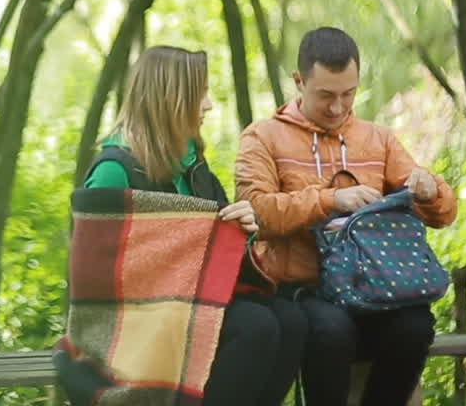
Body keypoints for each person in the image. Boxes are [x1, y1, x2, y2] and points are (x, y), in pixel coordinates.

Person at [235, 27, 458, 406]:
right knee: (331, 331)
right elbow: (256, 213)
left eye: (348, 94)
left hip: (374, 290)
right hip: (303, 291)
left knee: (416, 326)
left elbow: (443, 214)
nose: (338, 108)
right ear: (299, 82)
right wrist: (331, 200)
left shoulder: (378, 139)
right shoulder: (263, 137)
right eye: (326, 95)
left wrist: (430, 191)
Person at [82, 45, 306, 406]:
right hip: (140, 319)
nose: (209, 105)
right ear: (171, 99)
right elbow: (95, 276)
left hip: (195, 302)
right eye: (200, 94)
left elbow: (220, 243)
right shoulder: (114, 169)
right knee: (254, 326)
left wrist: (243, 228)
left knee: (292, 320)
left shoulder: (191, 161)